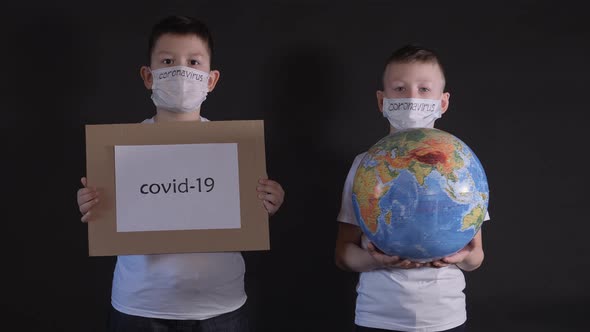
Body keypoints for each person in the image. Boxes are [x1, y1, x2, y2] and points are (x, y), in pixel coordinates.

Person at [76, 15, 284, 332]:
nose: (181, 71)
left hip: (220, 306)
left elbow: (246, 214)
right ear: (148, 76)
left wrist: (268, 201)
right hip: (139, 306)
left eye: (193, 62)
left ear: (211, 80)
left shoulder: (236, 148)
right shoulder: (119, 150)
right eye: (168, 61)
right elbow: (109, 219)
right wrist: (93, 204)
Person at [334, 44, 490, 332]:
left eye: (423, 89)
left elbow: (476, 256)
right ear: (382, 101)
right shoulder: (365, 166)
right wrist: (374, 260)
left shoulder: (461, 165)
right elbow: (343, 255)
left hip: (446, 316)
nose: (411, 98)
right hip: (378, 316)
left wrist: (463, 257)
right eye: (400, 88)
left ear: (442, 103)